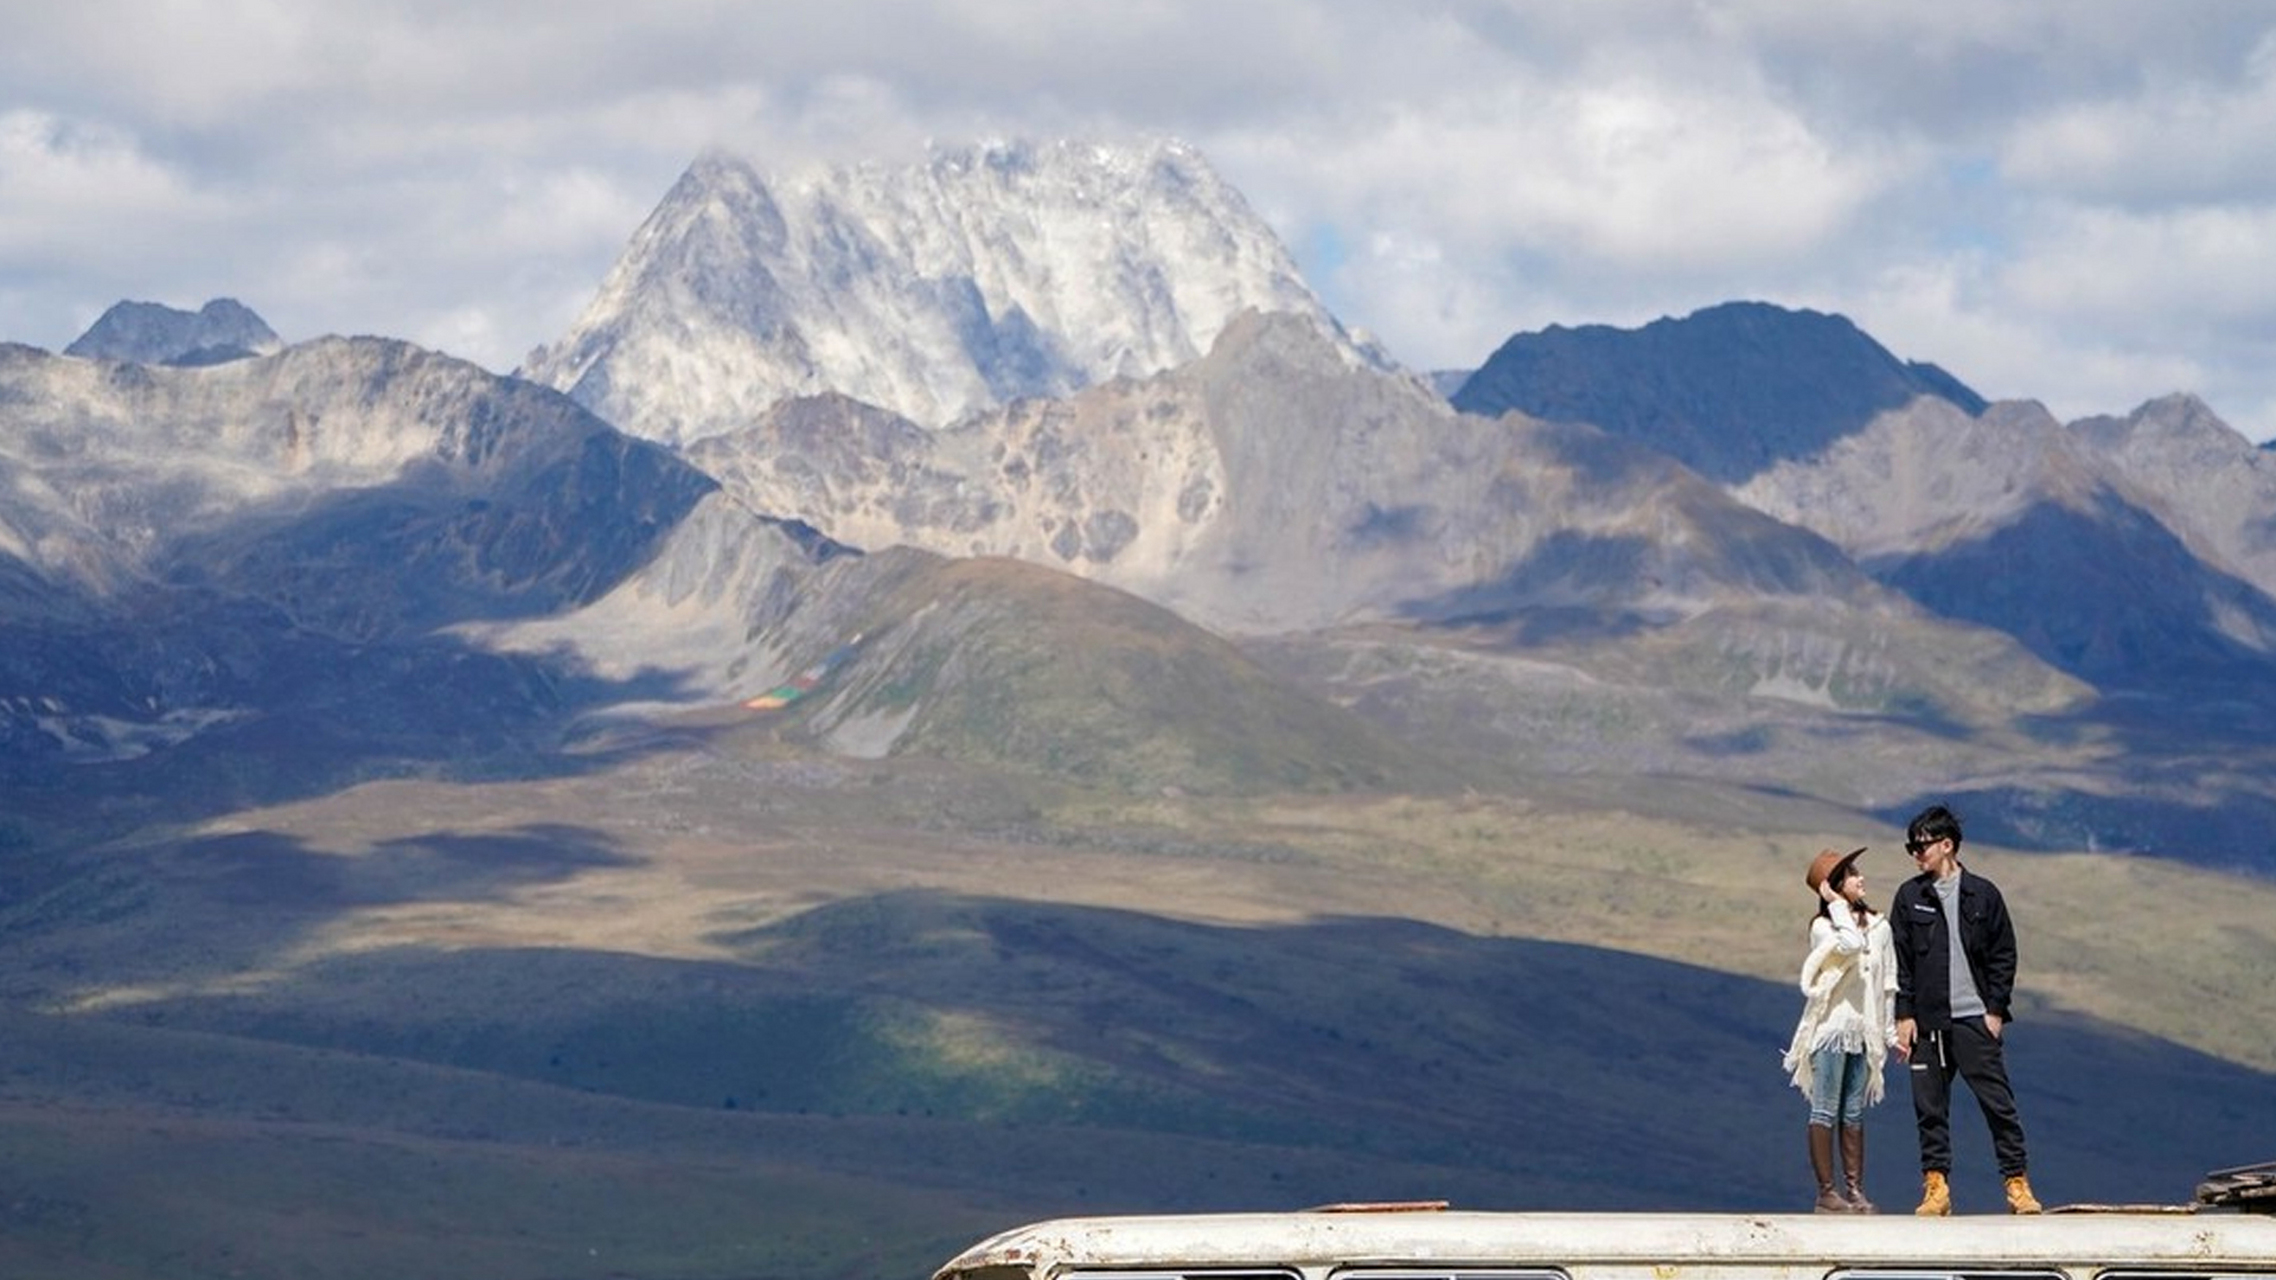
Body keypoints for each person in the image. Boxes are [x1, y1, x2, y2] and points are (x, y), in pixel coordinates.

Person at [1890, 803, 2041, 1215]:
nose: (1916, 854)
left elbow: (2003, 954)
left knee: (1998, 1104)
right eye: (1911, 847)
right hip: (1928, 1022)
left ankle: (2017, 1184)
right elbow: (1900, 961)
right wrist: (1904, 1016)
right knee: (1930, 1108)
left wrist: (1995, 1010)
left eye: (1921, 846)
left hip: (1974, 1018)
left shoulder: (1984, 894)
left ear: (1947, 845)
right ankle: (1936, 1189)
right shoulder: (1909, 897)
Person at [1781, 845, 1895, 1212]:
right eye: (1851, 875)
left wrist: (1889, 1032)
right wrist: (1833, 903)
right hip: (1831, 1030)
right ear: (1834, 886)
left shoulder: (1880, 926)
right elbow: (1850, 944)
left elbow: (1887, 981)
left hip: (1863, 1030)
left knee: (1854, 1111)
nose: (1861, 879)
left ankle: (1855, 1189)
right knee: (1825, 1108)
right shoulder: (1824, 926)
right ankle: (1827, 1191)